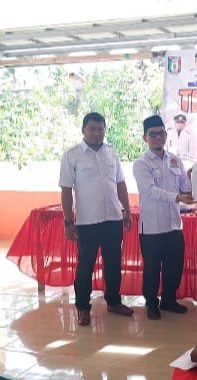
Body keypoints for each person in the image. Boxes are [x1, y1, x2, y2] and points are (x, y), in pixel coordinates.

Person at [59, 112, 134, 327]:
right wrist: (68, 221)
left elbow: (120, 184)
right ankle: (83, 307)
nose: (96, 133)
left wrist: (127, 211)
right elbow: (66, 189)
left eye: (100, 129)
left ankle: (114, 302)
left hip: (113, 218)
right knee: (85, 266)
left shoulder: (111, 152)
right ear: (83, 130)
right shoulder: (72, 155)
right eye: (92, 129)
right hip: (87, 222)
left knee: (113, 264)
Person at [133, 115, 195, 320]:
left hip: (174, 225)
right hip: (152, 227)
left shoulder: (175, 160)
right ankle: (152, 303)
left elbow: (185, 186)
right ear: (145, 138)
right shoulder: (141, 164)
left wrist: (194, 178)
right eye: (152, 134)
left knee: (174, 266)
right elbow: (150, 190)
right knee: (152, 268)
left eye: (161, 133)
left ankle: (169, 300)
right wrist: (177, 197)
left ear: (166, 135)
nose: (157, 138)